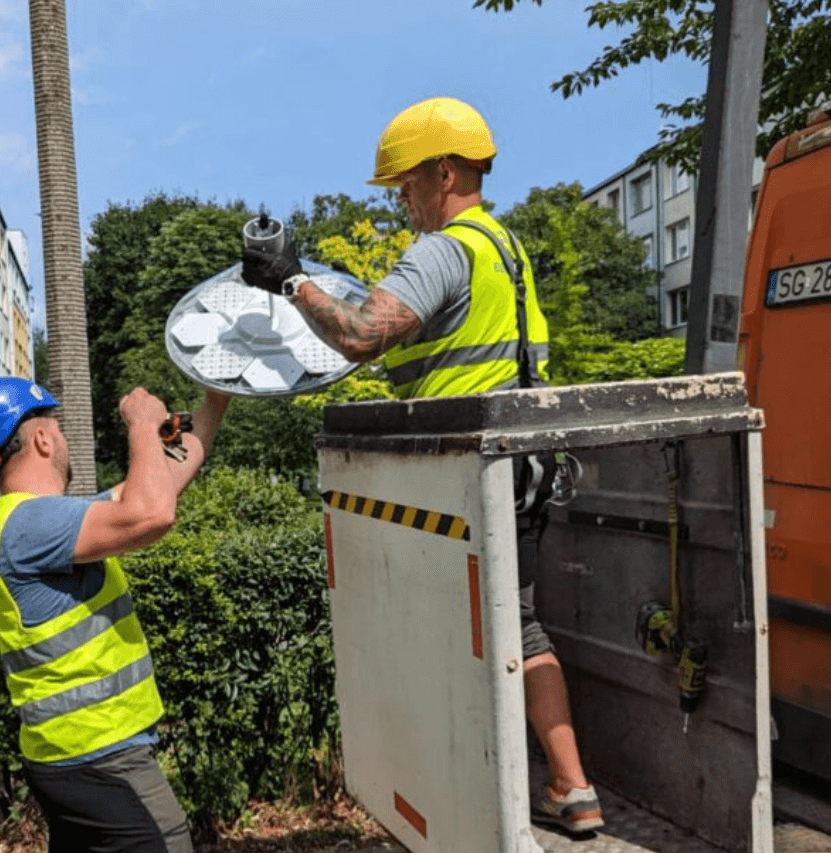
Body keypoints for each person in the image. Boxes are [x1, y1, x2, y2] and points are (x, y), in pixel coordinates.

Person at [241, 96, 603, 834]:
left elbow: (363, 335)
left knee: (444, 639)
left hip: (455, 478)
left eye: (405, 183)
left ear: (444, 173)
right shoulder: (505, 247)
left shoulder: (445, 249)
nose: (402, 200)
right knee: (522, 630)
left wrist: (290, 280)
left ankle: (469, 807)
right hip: (519, 470)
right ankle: (572, 786)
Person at [0, 376, 231, 853]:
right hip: (100, 759)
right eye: (57, 428)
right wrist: (142, 424)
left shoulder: (41, 522)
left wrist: (217, 399)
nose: (61, 438)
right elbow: (152, 514)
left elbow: (159, 487)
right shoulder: (33, 524)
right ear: (43, 438)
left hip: (73, 759)